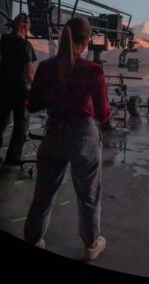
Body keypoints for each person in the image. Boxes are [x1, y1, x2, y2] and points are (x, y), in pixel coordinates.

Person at [23, 16, 110, 261]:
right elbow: (103, 114)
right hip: (83, 137)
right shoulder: (93, 70)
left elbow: (33, 105)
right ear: (86, 41)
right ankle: (91, 245)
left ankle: (33, 239)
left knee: (43, 194)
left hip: (53, 134)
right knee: (88, 196)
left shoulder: (46, 68)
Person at [0, 13, 37, 165]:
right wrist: (35, 89)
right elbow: (29, 72)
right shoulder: (25, 45)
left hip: (3, 85)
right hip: (20, 89)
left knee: (1, 119)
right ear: (25, 25)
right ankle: (13, 157)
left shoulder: (4, 39)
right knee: (21, 123)